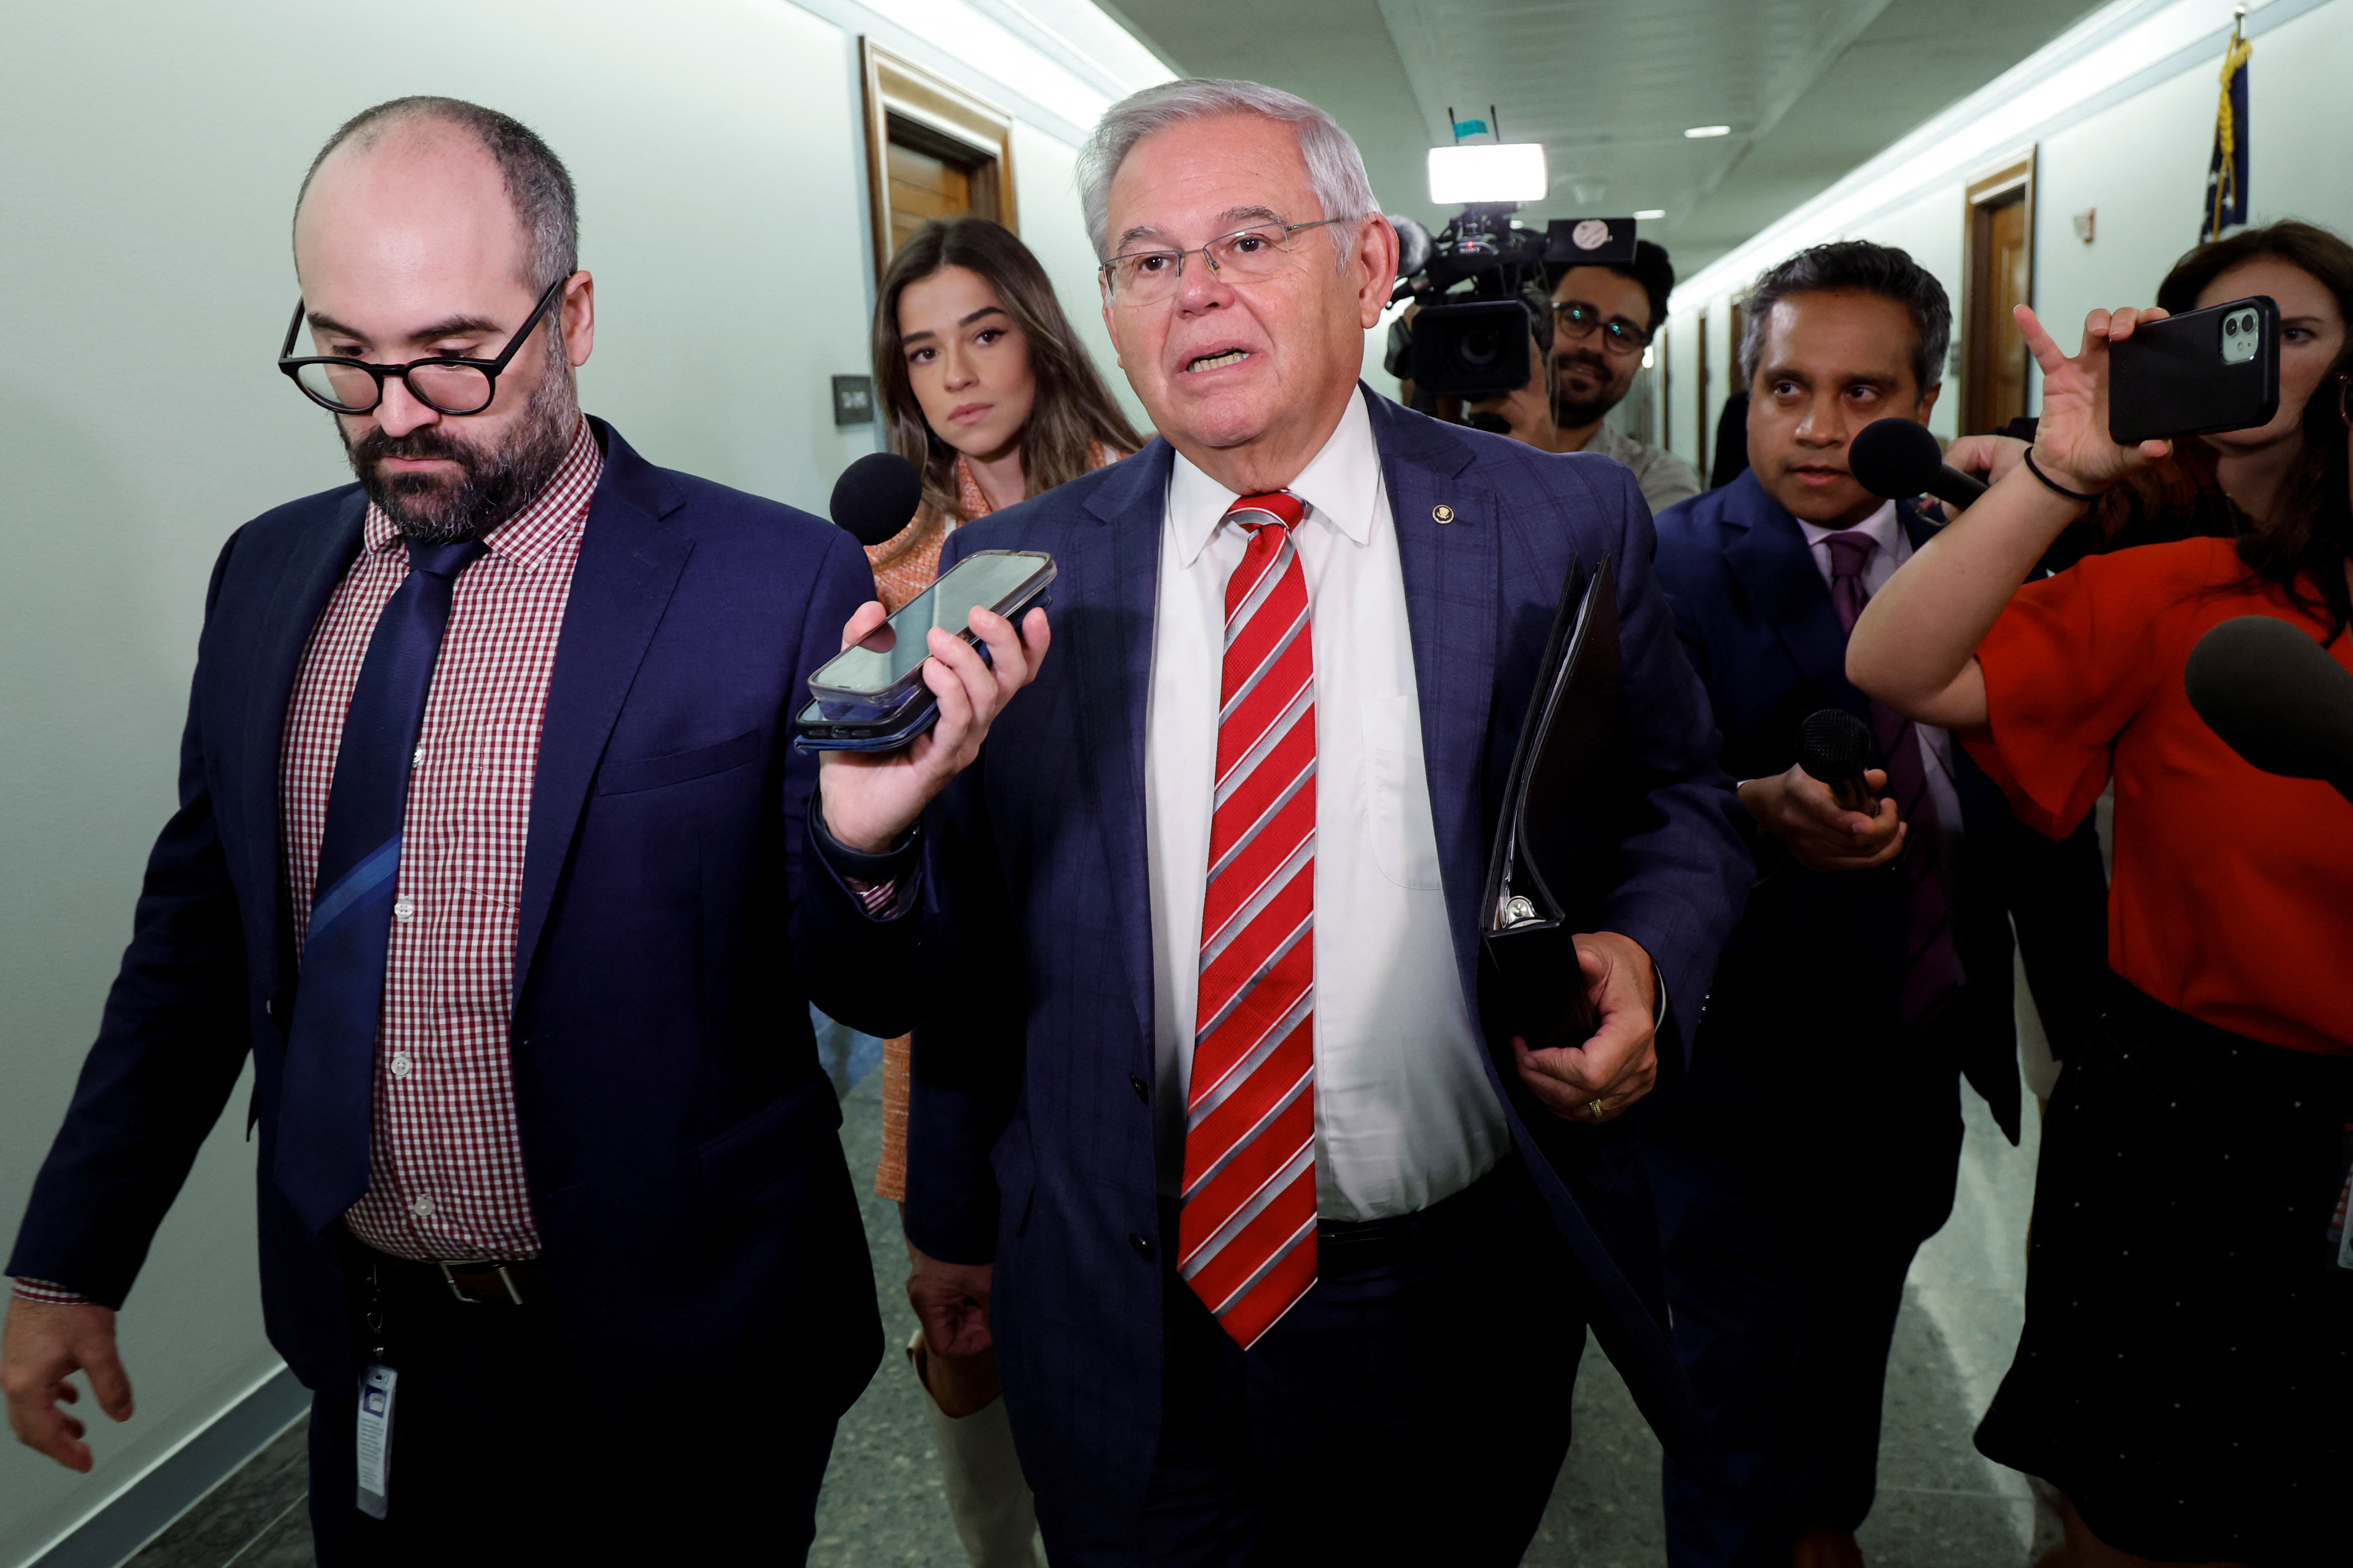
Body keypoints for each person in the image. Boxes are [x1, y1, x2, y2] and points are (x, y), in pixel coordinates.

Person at [806, 77, 1753, 1565]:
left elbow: (1681, 798)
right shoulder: (1012, 569)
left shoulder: (1552, 525)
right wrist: (868, 852)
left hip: (1448, 1302)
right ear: (1109, 314)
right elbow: (956, 965)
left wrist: (1644, 949)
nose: (1197, 297)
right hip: (1127, 1309)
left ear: (1368, 269)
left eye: (1250, 240)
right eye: (1149, 261)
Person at [0, 98, 893, 1564]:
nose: (398, 408)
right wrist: (69, 1259)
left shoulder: (770, 580)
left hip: (689, 1367)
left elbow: (880, 986)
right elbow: (194, 950)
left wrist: (869, 852)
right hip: (374, 1347)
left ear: (574, 313)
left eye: (453, 352)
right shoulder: (270, 574)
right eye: (347, 358)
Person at [1848, 302, 2353, 1568]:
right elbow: (1898, 662)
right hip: (2203, 1121)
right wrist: (2057, 475)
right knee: (2137, 1517)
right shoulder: (2210, 602)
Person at [1646, 240, 2107, 1568]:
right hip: (1731, 1085)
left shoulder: (1988, 548)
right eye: (1787, 388)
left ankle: (1819, 1525)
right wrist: (1753, 809)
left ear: (1924, 395)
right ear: (1744, 391)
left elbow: (2041, 792)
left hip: (1910, 1072)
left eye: (1864, 392)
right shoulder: (1666, 563)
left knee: (1848, 1350)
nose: (1821, 426)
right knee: (1728, 1405)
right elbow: (1622, 804)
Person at [865, 213, 1139, 1568]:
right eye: (922, 351)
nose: (956, 376)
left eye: (982, 333)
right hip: (958, 1008)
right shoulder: (882, 571)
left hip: (1132, 990)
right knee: (969, 1372)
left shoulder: (1153, 507)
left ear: (1038, 332)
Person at [2026, 220, 2353, 569]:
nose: (2257, 361)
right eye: (2227, 333)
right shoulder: (2150, 474)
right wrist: (2042, 480)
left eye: (2295, 335)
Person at [1549, 238, 1701, 512]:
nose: (1593, 346)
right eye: (1576, 317)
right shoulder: (1452, 446)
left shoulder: (1652, 480)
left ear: (1640, 358)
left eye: (1622, 334)